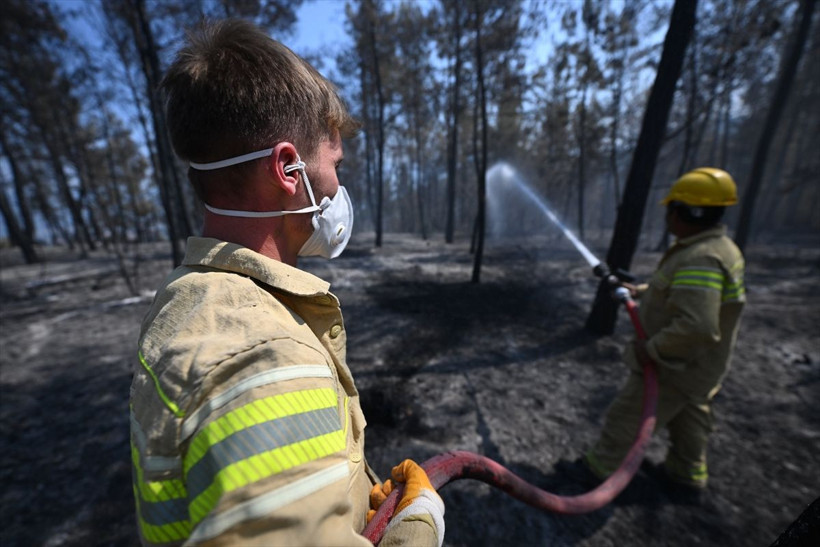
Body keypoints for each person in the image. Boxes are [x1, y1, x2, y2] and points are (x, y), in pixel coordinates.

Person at [129, 19, 443, 546]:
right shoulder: (267, 357)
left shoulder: (189, 306)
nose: (338, 185)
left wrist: (341, 497)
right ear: (287, 169)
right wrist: (415, 532)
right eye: (333, 162)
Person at [583, 167, 746, 495]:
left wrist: (652, 349)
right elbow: (677, 292)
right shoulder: (717, 248)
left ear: (689, 212)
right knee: (691, 422)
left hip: (674, 365)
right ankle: (686, 477)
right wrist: (640, 291)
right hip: (702, 369)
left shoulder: (700, 258)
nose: (667, 216)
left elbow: (697, 326)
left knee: (626, 417)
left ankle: (598, 472)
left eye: (672, 208)